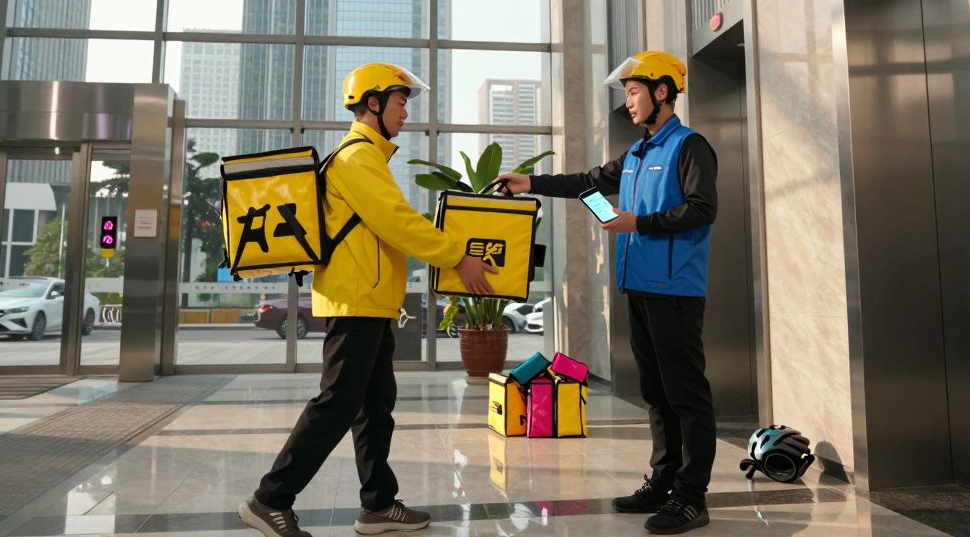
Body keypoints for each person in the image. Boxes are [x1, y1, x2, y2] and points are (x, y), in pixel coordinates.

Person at [240, 63, 497, 537]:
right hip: (354, 299)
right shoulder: (356, 157)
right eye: (401, 103)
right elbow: (395, 221)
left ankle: (377, 505)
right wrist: (457, 256)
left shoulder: (369, 158)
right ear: (373, 103)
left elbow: (388, 224)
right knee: (338, 402)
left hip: (370, 300)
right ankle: (270, 497)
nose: (405, 113)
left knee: (375, 405)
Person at [498, 50, 718, 535]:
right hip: (638, 285)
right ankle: (662, 483)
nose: (630, 103)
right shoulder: (638, 153)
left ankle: (691, 497)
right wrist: (530, 181)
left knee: (686, 394)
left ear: (662, 91)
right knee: (656, 393)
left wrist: (638, 222)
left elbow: (703, 209)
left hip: (676, 288)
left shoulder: (689, 146)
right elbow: (588, 182)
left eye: (635, 92)